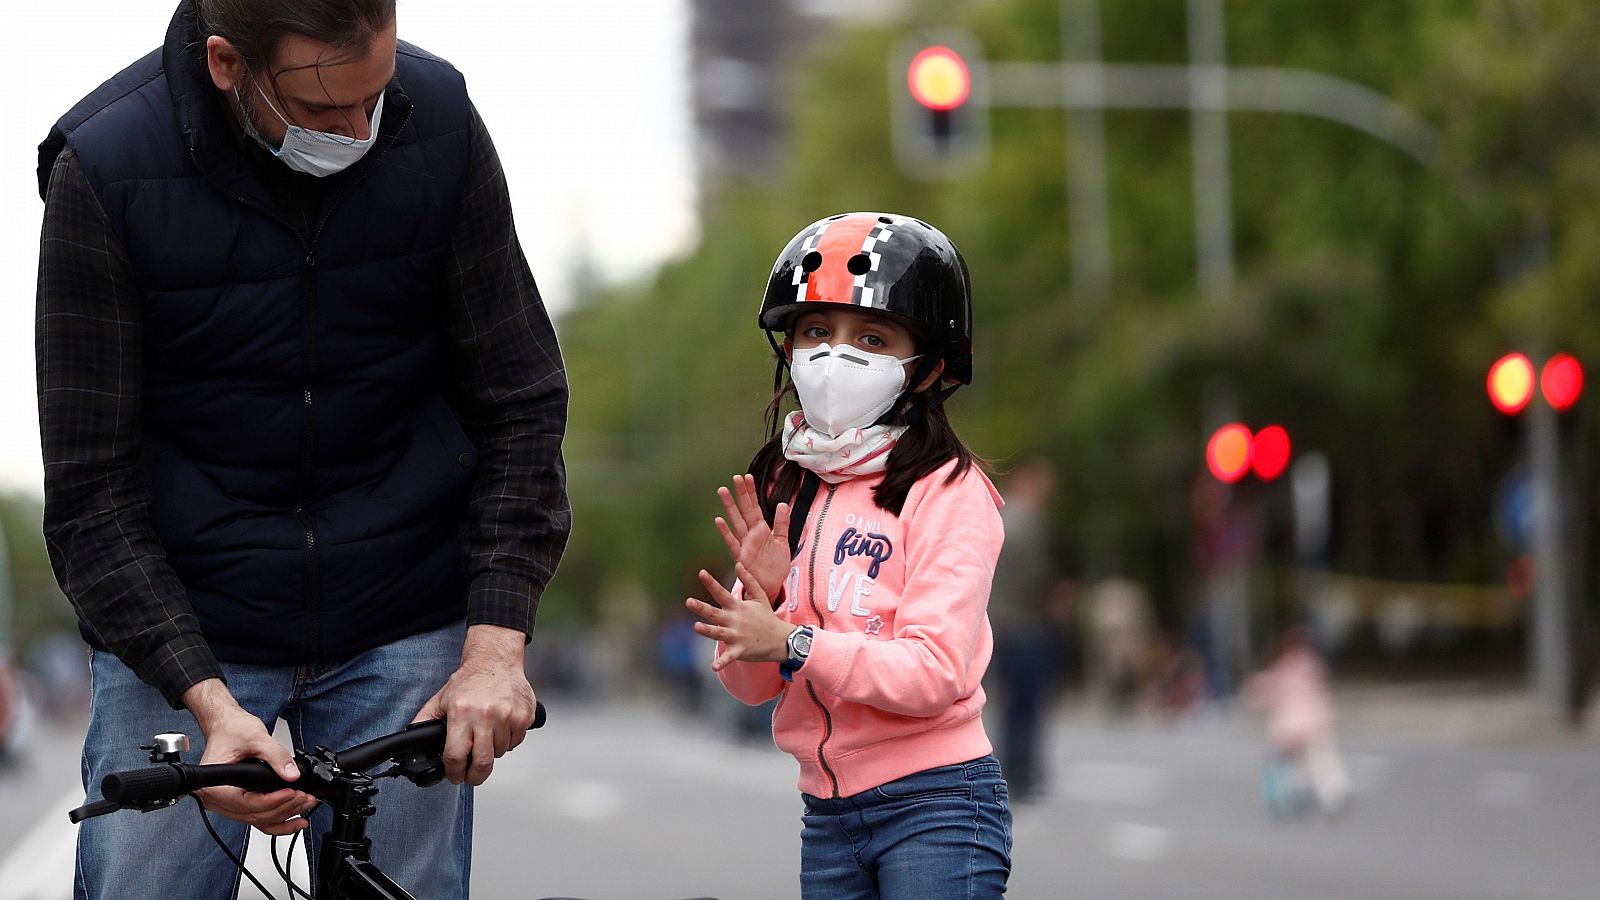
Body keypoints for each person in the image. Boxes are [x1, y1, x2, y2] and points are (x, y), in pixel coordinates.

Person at [34, 2, 570, 897]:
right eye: (324, 113)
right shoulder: (104, 167)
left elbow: (520, 398)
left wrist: (495, 647)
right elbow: (91, 493)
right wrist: (202, 698)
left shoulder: (435, 118)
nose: (361, 132)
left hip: (401, 608)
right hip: (187, 624)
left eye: (377, 98)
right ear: (225, 64)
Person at [685, 212, 1012, 898]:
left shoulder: (948, 490)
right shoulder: (790, 484)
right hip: (828, 818)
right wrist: (765, 603)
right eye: (815, 333)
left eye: (870, 337)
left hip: (937, 809)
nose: (835, 356)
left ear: (927, 367)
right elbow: (750, 690)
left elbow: (936, 671)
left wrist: (795, 640)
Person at [985, 455, 1066, 800]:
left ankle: (1008, 770)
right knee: (1027, 705)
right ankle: (1023, 773)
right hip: (1026, 625)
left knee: (1010, 705)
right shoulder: (1029, 521)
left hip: (1000, 623)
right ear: (1028, 478)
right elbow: (1037, 579)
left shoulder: (999, 517)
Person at [1242, 625, 1351, 817]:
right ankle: (1333, 793)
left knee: (1295, 764)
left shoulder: (1279, 668)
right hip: (1315, 721)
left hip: (1288, 725)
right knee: (1323, 760)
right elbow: (1322, 692)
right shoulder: (1312, 665)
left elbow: (1262, 696)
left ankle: (1296, 795)